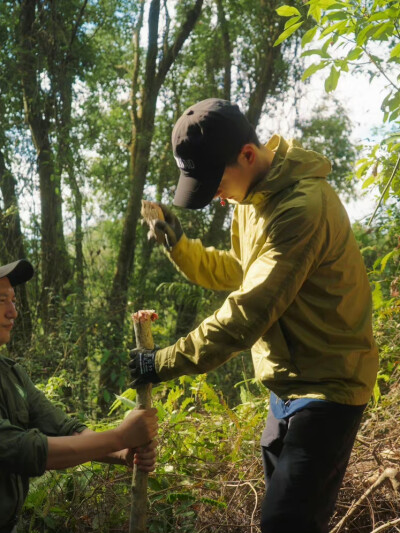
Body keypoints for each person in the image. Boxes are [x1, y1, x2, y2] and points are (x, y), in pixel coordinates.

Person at [129, 98, 379, 533]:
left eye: (216, 183)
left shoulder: (302, 207)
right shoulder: (253, 199)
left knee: (285, 521)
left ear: (247, 155)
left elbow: (247, 312)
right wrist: (178, 245)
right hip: (285, 386)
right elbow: (242, 271)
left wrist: (162, 362)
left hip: (329, 387)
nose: (216, 197)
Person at [0, 259, 158, 533]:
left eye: (13, 301)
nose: (13, 312)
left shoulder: (11, 374)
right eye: (2, 300)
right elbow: (21, 449)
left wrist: (122, 453)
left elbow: (65, 429)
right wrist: (120, 436)